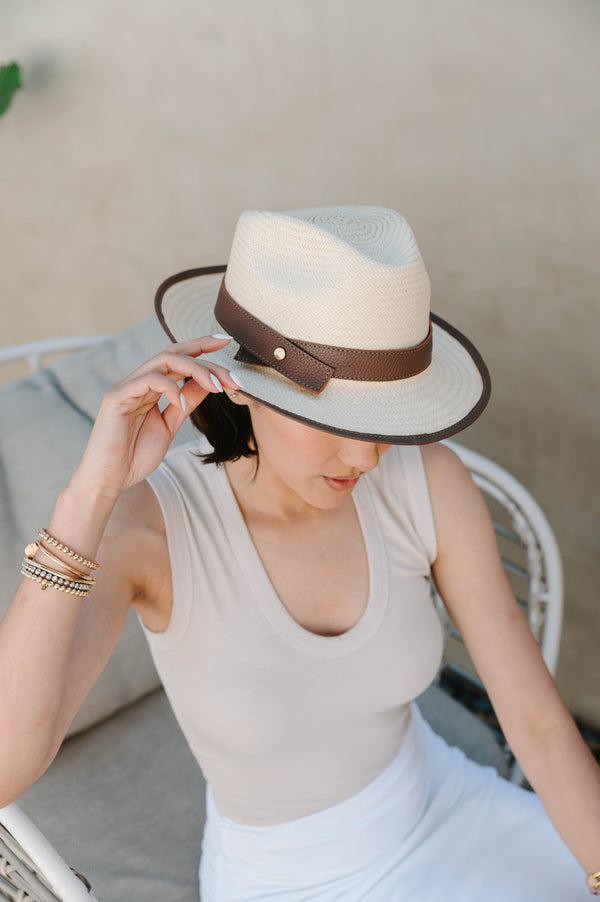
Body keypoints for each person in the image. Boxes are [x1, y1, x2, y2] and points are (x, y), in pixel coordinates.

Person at [1, 206, 599, 901]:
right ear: (241, 382)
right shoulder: (148, 528)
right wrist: (88, 495)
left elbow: (539, 725)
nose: (367, 456)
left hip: (454, 809)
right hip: (293, 883)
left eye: (383, 418)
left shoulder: (423, 478)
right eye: (333, 419)